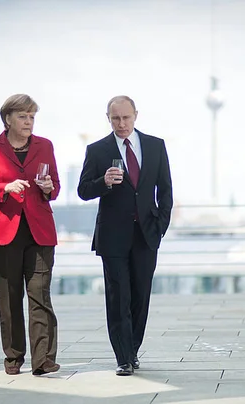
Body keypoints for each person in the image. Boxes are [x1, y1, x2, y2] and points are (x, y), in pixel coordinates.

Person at [77, 95, 173, 376]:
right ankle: (123, 358)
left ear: (135, 116)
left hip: (146, 234)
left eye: (125, 118)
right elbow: (83, 190)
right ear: (107, 118)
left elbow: (165, 189)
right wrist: (103, 182)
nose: (121, 123)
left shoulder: (155, 146)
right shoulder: (97, 150)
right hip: (112, 236)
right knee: (118, 297)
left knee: (140, 296)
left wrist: (161, 224)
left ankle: (132, 349)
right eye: (115, 118)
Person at [0, 94, 60, 376]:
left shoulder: (45, 146)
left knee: (39, 297)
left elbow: (55, 187)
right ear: (8, 118)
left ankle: (43, 360)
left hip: (39, 232)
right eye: (23, 116)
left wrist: (47, 186)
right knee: (9, 301)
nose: (29, 122)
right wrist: (4, 188)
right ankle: (13, 357)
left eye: (32, 117)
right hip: (2, 232)